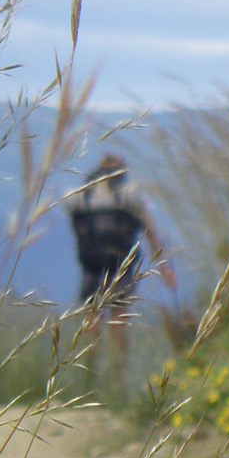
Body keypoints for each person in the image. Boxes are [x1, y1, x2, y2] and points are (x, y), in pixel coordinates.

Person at [66, 152, 176, 377]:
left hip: (91, 265)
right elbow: (151, 232)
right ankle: (117, 375)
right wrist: (165, 269)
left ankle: (90, 372)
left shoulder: (81, 197)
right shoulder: (130, 196)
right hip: (121, 265)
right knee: (118, 318)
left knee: (92, 320)